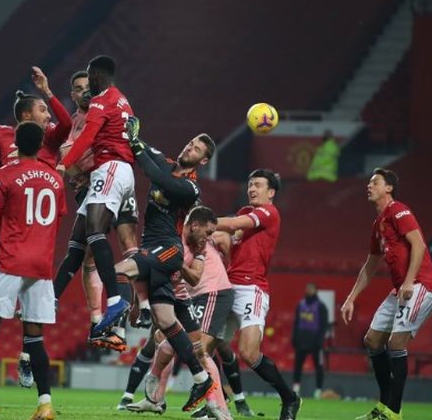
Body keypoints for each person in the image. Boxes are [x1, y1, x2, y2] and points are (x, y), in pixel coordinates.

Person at [0, 66, 71, 387]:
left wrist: (49, 91)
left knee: (23, 288)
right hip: (8, 223)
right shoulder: (1, 134)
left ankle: (25, 356)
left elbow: (66, 123)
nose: (48, 115)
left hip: (36, 223)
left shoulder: (48, 138)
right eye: (42, 109)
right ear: (25, 114)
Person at [97, 118, 218, 413]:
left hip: (168, 250)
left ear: (202, 160)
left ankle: (119, 329)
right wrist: (123, 126)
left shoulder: (189, 188)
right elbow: (141, 149)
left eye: (196, 149)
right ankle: (201, 379)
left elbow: (157, 177)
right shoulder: (166, 161)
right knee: (165, 319)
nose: (189, 148)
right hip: (154, 248)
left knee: (119, 271)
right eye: (190, 143)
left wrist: (137, 145)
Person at [0, 121, 66, 420]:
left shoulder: (4, 175)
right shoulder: (55, 179)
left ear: (15, 145)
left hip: (11, 260)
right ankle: (45, 405)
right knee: (34, 337)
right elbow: (57, 216)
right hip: (42, 266)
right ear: (40, 145)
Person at [340, 168, 432, 420]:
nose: (369, 185)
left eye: (375, 182)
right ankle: (384, 404)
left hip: (422, 284)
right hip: (401, 289)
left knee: (396, 343)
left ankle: (394, 412)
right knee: (373, 341)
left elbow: (418, 244)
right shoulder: (378, 224)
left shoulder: (398, 210)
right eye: (369, 182)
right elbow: (370, 265)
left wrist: (408, 282)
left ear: (389, 188)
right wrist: (350, 298)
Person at [54, 70, 142, 331]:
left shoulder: (103, 105)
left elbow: (85, 142)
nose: (86, 91)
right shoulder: (87, 114)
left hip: (110, 172)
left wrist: (67, 165)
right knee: (77, 245)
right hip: (103, 178)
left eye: (88, 85)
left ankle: (122, 301)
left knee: (108, 236)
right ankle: (54, 297)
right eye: (79, 88)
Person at [127, 207, 233, 420]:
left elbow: (194, 277)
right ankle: (155, 397)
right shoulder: (169, 237)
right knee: (163, 340)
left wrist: (178, 263)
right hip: (179, 295)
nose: (209, 238)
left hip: (209, 292)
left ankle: (219, 408)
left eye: (212, 233)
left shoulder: (198, 245)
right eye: (208, 232)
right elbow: (141, 269)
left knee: (198, 351)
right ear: (194, 225)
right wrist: (137, 305)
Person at [216, 169, 301, 420]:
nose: (252, 188)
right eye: (250, 184)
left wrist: (200, 219)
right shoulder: (245, 213)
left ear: (271, 192)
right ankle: (213, 401)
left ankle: (289, 398)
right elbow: (230, 239)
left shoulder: (269, 213)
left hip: (252, 289)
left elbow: (230, 225)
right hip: (228, 285)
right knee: (207, 343)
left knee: (249, 354)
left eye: (258, 185)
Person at [292, 282, 329, 399]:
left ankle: (318, 390)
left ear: (315, 290)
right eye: (307, 288)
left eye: (310, 289)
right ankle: (296, 389)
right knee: (297, 366)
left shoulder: (321, 306)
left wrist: (320, 339)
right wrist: (294, 337)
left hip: (315, 342)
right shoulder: (301, 305)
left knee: (319, 366)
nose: (308, 290)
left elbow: (324, 325)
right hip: (302, 341)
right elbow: (296, 322)